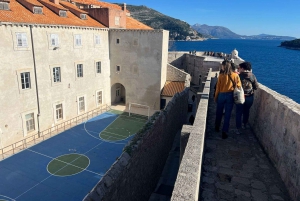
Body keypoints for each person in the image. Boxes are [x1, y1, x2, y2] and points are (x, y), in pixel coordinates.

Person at [214, 59, 241, 139]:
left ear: (224, 67)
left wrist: (216, 97)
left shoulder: (221, 76)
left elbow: (217, 88)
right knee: (227, 114)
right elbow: (239, 86)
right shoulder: (235, 75)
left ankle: (217, 126)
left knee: (219, 112)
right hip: (230, 95)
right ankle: (224, 131)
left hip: (221, 95)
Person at [235, 62, 259, 134]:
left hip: (240, 97)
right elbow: (256, 87)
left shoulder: (239, 76)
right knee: (246, 111)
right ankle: (244, 124)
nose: (238, 69)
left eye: (239, 68)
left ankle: (238, 129)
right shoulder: (252, 76)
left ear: (243, 68)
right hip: (249, 97)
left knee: (238, 112)